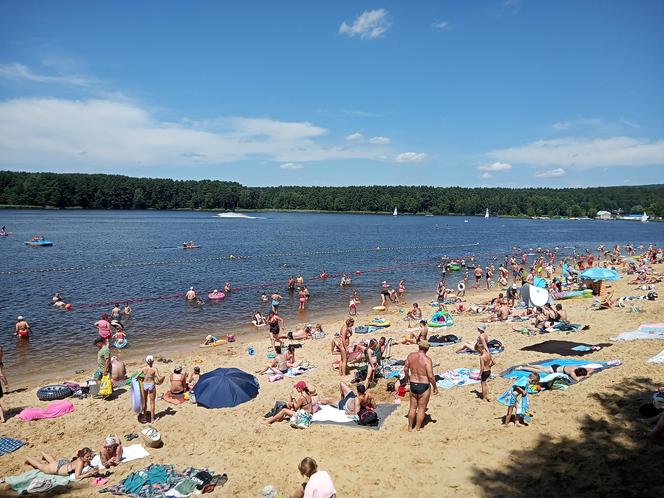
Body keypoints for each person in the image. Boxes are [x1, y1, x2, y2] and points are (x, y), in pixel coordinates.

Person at [403, 340, 438, 431]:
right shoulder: (427, 360)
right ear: (427, 349)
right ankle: (417, 428)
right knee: (421, 409)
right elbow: (430, 376)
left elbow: (406, 369)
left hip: (413, 384)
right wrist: (435, 387)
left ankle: (410, 427)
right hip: (424, 385)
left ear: (419, 347)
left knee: (412, 407)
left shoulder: (411, 356)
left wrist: (407, 379)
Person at [24, 447, 99, 479]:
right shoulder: (80, 462)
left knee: (53, 461)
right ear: (82, 457)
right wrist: (89, 474)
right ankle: (27, 458)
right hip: (58, 468)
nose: (90, 458)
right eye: (87, 457)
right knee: (40, 466)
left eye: (90, 456)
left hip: (63, 463)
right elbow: (77, 476)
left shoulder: (81, 459)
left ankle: (43, 453)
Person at [139, 355, 164, 423]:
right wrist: (163, 378)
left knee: (145, 401)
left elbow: (136, 377)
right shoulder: (154, 369)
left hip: (144, 385)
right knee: (152, 403)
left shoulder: (143, 369)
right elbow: (159, 379)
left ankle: (144, 418)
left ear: (146, 362)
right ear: (153, 361)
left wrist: (142, 378)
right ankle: (152, 419)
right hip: (151, 385)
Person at [516, 364, 595, 382]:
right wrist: (586, 375)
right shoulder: (572, 372)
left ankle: (530, 364)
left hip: (558, 366)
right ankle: (522, 368)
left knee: (541, 367)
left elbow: (592, 369)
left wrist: (588, 372)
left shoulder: (578, 368)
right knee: (537, 371)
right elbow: (577, 379)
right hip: (554, 370)